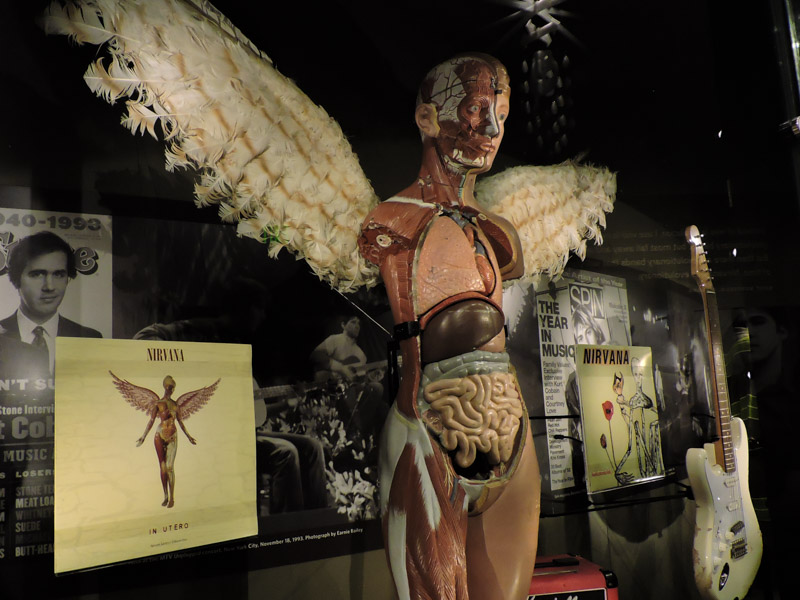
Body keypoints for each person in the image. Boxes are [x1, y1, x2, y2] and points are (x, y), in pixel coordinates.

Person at [358, 53, 540, 600]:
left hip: (511, 428)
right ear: (428, 120)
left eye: (501, 116)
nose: (490, 129)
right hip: (430, 425)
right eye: (477, 110)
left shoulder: (499, 234)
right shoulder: (390, 222)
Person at [111, 373, 218, 508]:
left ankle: (172, 497)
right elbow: (151, 421)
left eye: (172, 387)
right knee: (162, 467)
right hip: (159, 434)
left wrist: (189, 436)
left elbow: (180, 421)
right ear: (164, 387)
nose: (170, 389)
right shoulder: (158, 403)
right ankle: (165, 496)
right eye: (169, 387)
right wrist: (143, 436)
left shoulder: (176, 405)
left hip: (172, 435)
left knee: (169, 467)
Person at [1, 231, 101, 372]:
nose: (49, 287)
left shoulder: (90, 339)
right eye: (37, 274)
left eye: (59, 274)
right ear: (17, 280)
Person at [309, 315, 387, 434]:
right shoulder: (335, 340)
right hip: (328, 388)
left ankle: (355, 432)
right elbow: (315, 355)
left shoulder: (361, 355)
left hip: (348, 392)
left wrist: (371, 377)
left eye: (359, 324)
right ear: (343, 325)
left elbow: (358, 381)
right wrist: (341, 368)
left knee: (379, 394)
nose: (356, 326)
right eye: (353, 322)